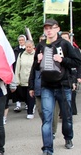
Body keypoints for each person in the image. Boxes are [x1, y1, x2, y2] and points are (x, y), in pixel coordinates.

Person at [31, 18, 81, 155]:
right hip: (47, 86)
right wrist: (38, 60)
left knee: (66, 116)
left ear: (57, 29)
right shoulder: (40, 45)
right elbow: (35, 67)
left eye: (51, 28)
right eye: (46, 28)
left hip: (63, 86)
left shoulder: (64, 44)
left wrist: (62, 60)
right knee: (47, 118)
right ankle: (47, 149)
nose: (48, 30)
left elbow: (77, 61)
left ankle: (68, 137)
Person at [60, 31, 81, 115]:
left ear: (69, 39)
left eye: (66, 38)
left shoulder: (75, 50)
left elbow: (79, 64)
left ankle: (70, 112)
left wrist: (79, 76)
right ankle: (63, 113)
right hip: (62, 75)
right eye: (62, 38)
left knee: (72, 94)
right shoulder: (59, 49)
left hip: (73, 74)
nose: (64, 40)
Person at [15, 40, 35, 119]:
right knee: (24, 96)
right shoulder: (21, 54)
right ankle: (29, 105)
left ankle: (30, 111)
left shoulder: (36, 54)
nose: (28, 48)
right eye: (27, 47)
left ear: (33, 46)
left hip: (31, 80)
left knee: (30, 96)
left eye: (30, 47)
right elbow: (17, 67)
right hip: (23, 79)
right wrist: (17, 79)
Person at [13, 34, 27, 112]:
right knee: (17, 88)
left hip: (25, 71)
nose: (21, 42)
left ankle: (27, 103)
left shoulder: (27, 49)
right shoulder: (15, 50)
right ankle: (18, 104)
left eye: (22, 40)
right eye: (20, 40)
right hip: (16, 70)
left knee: (25, 88)